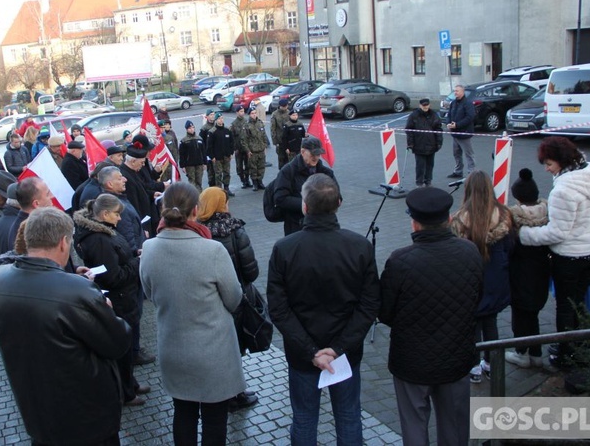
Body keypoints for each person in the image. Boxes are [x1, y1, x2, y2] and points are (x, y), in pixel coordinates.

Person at [0, 207, 131, 446]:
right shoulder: (78, 292)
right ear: (64, 242)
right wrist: (106, 309)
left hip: (37, 412)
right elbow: (118, 343)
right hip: (86, 417)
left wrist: (72, 278)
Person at [267, 174, 380, 445]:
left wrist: (310, 351)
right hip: (345, 354)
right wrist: (338, 348)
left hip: (302, 355)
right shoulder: (360, 247)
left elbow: (278, 309)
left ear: (304, 206)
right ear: (339, 203)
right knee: (349, 417)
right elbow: (369, 306)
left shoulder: (284, 249)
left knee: (304, 419)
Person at [140, 182, 246, 445]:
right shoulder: (212, 250)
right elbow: (234, 299)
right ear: (195, 211)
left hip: (173, 347)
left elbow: (150, 294)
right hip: (214, 350)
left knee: (183, 413)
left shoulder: (149, 248)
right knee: (214, 419)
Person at [379, 187, 483, 446]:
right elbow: (477, 298)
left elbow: (385, 312)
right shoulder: (470, 251)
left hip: (411, 361)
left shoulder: (400, 261)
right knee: (455, 426)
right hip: (456, 356)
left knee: (414, 425)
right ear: (448, 220)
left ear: (414, 223)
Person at [518, 136, 590, 366]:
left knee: (566, 307)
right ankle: (586, 345)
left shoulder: (563, 191)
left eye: (549, 164)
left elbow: (557, 233)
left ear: (561, 161)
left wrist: (524, 235)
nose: (546, 169)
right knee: (586, 304)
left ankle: (567, 354)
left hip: (570, 258)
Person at [74, 194, 148, 407]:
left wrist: (133, 253)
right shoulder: (99, 239)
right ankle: (126, 392)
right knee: (122, 349)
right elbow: (113, 276)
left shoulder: (103, 231)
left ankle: (130, 383)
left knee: (127, 346)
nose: (119, 218)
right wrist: (137, 262)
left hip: (125, 298)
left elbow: (119, 255)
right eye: (116, 214)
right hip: (119, 300)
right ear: (105, 214)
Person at [197, 187, 260, 411]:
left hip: (206, 299)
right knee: (235, 346)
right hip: (235, 297)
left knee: (216, 346)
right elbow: (251, 271)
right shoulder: (235, 230)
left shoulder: (196, 231)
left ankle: (217, 389)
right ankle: (235, 393)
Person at [451, 170, 514, 383]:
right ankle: (491, 362)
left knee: (473, 324)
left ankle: (474, 365)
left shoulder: (460, 219)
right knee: (491, 321)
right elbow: (510, 247)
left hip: (471, 280)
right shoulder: (504, 215)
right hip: (496, 278)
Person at [505, 168, 550, 368]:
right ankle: (536, 353)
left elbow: (508, 248)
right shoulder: (547, 217)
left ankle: (521, 352)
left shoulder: (515, 222)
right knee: (533, 315)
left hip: (520, 275)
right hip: (541, 273)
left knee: (521, 317)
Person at [274, 136, 336, 236]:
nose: (316, 157)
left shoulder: (326, 172)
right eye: (313, 154)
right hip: (297, 227)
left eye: (318, 154)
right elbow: (280, 198)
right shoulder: (288, 171)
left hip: (323, 226)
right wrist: (305, 204)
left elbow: (338, 197)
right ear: (302, 152)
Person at [0, 177, 54, 259]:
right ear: (36, 203)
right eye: (47, 194)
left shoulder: (1, 224)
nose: (52, 196)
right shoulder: (27, 229)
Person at [406, 98, 443, 187]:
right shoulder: (414, 116)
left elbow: (438, 129)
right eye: (423, 105)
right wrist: (410, 143)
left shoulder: (434, 115)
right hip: (419, 145)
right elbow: (409, 130)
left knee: (430, 165)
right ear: (420, 106)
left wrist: (439, 143)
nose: (425, 107)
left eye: (427, 105)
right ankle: (419, 182)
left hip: (431, 144)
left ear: (429, 105)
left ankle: (428, 181)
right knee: (420, 166)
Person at [446, 84, 475, 178]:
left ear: (462, 92)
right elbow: (449, 114)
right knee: (456, 154)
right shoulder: (453, 103)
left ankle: (472, 173)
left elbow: (470, 117)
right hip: (455, 134)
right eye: (454, 91)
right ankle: (458, 171)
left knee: (469, 155)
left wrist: (457, 125)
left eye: (457, 91)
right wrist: (448, 123)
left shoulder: (468, 103)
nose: (455, 93)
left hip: (464, 133)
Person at [240, 107, 269, 191]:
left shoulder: (260, 123)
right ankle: (255, 183)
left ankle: (260, 181)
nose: (254, 115)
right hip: (252, 151)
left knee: (261, 167)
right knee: (253, 168)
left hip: (261, 149)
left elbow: (264, 136)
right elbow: (244, 140)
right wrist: (248, 150)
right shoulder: (246, 125)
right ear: (249, 114)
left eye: (255, 113)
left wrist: (264, 146)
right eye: (252, 113)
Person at [206, 112, 234, 196]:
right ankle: (219, 190)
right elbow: (209, 146)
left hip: (226, 156)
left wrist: (231, 152)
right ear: (216, 120)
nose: (221, 120)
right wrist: (212, 156)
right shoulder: (212, 132)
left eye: (222, 118)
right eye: (219, 118)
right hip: (217, 157)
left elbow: (231, 142)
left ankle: (226, 188)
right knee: (218, 174)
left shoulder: (227, 130)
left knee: (227, 173)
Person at [178, 120, 206, 192]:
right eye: (190, 128)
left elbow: (203, 152)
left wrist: (205, 163)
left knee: (199, 181)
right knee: (192, 182)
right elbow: (182, 154)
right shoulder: (184, 141)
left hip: (199, 163)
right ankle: (194, 197)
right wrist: (183, 166)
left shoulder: (199, 139)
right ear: (187, 129)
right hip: (189, 165)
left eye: (193, 127)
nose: (192, 129)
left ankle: (200, 196)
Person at [230, 105, 252, 189]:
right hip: (238, 149)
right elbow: (231, 138)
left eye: (243, 111)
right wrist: (234, 149)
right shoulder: (234, 124)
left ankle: (247, 180)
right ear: (237, 113)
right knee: (239, 166)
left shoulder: (246, 122)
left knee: (248, 165)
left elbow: (249, 135)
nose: (242, 113)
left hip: (246, 148)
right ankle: (242, 180)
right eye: (240, 111)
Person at [270, 99, 291, 169]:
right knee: (281, 158)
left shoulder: (289, 113)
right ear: (280, 106)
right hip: (280, 140)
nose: (285, 107)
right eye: (283, 106)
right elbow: (273, 128)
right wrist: (275, 141)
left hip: (289, 139)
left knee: (290, 159)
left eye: (286, 106)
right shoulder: (275, 114)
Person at [200, 110, 217, 187]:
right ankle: (212, 187)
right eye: (211, 114)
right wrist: (205, 155)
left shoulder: (217, 125)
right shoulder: (204, 128)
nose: (212, 116)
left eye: (213, 114)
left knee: (219, 172)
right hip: (209, 154)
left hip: (217, 152)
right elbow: (202, 142)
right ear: (207, 116)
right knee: (211, 173)